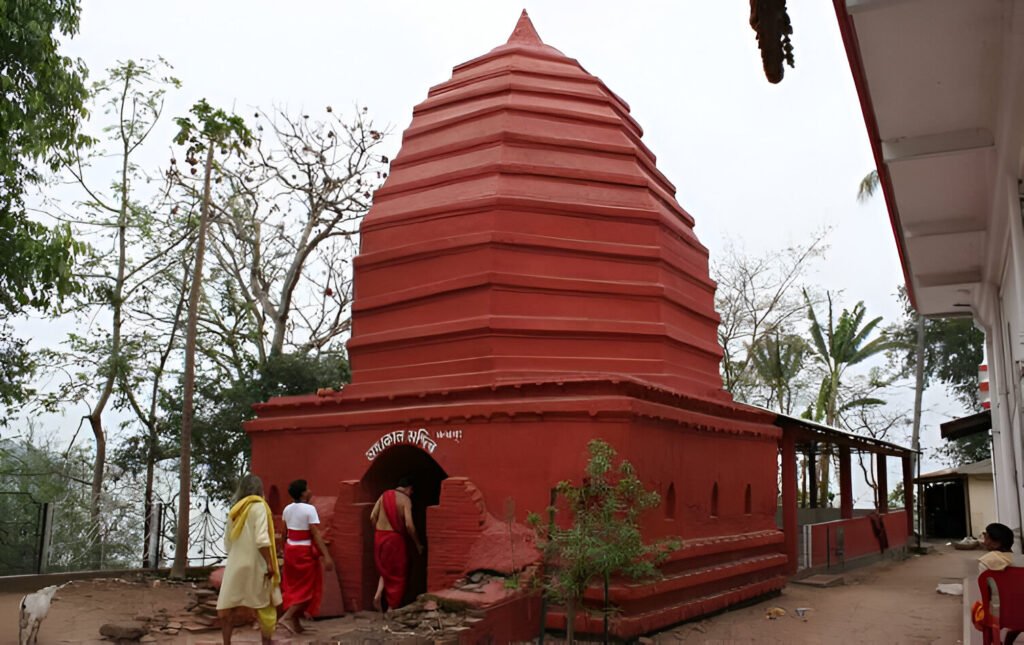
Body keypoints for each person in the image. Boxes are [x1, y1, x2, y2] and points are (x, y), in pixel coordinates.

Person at [216, 474, 281, 645]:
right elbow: (261, 539)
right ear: (260, 489)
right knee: (265, 607)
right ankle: (266, 642)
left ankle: (227, 643)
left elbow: (228, 543)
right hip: (256, 564)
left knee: (228, 608)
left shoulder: (235, 510)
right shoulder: (260, 507)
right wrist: (269, 563)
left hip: (235, 565)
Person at [279, 479, 335, 634]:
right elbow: (315, 534)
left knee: (294, 587)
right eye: (308, 489)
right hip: (304, 551)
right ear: (303, 493)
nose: (310, 491)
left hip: (290, 550)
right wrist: (327, 555)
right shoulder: (309, 509)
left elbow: (284, 533)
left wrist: (283, 550)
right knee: (307, 589)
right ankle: (287, 617)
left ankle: (297, 625)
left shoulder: (287, 509)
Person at [370, 476, 424, 612]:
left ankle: (377, 595)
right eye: (412, 491)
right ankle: (391, 607)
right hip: (394, 539)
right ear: (409, 488)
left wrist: (378, 531)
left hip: (379, 536)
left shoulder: (384, 495)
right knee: (398, 574)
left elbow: (372, 516)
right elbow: (409, 525)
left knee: (385, 569)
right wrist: (417, 543)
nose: (411, 493)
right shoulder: (405, 500)